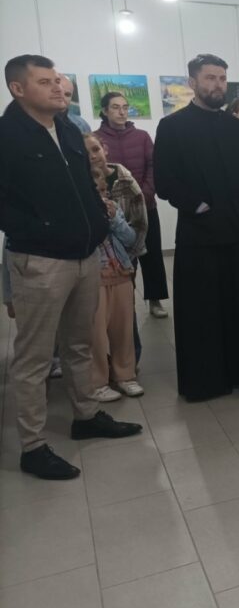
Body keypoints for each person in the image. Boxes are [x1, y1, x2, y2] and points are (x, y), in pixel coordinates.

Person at [1, 54, 142, 480]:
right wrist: (40, 230)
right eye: (45, 82)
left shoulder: (66, 128)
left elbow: (85, 182)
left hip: (84, 253)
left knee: (80, 344)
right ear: (18, 89)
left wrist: (97, 223)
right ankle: (33, 446)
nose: (58, 88)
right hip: (40, 259)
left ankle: (86, 416)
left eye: (57, 80)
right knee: (35, 358)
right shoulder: (8, 135)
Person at [153, 53, 239, 401]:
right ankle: (207, 381)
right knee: (204, 312)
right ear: (192, 82)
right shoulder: (173, 126)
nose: (217, 85)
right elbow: (165, 181)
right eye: (210, 78)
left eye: (222, 78)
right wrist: (198, 206)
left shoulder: (237, 127)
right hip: (200, 235)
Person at [96, 91, 168, 320]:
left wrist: (144, 195)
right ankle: (126, 301)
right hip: (114, 211)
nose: (121, 112)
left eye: (125, 107)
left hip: (145, 206)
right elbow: (97, 171)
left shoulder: (142, 136)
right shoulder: (97, 139)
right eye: (115, 107)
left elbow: (154, 166)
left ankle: (155, 299)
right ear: (105, 111)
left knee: (152, 254)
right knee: (121, 256)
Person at [87, 153, 146, 402]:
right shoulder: (80, 212)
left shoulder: (113, 209)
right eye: (96, 192)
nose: (102, 196)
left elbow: (131, 239)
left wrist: (114, 219)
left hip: (121, 272)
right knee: (96, 335)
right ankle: (97, 382)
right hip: (95, 278)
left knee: (123, 330)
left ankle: (125, 375)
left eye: (104, 191)